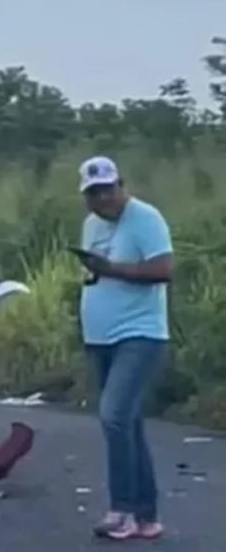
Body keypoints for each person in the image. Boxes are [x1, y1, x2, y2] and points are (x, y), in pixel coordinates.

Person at [75, 156, 172, 541]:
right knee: (128, 423)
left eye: (108, 190)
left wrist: (113, 269)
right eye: (94, 193)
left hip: (139, 331)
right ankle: (147, 516)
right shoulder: (91, 224)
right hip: (101, 335)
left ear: (121, 185)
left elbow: (163, 269)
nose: (103, 199)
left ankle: (122, 509)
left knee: (113, 415)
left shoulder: (146, 218)